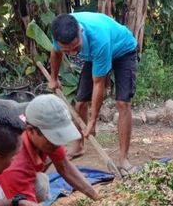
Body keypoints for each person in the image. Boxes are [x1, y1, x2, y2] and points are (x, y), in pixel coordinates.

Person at [0, 95, 100, 206]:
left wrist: (98, 198)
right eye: (53, 139)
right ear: (31, 130)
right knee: (39, 186)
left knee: (41, 183)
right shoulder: (15, 162)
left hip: (15, 174)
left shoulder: (43, 131)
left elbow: (64, 167)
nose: (58, 145)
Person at [48, 12, 138, 174]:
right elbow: (55, 52)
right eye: (67, 50)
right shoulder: (59, 31)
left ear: (80, 32)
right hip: (94, 55)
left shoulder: (98, 38)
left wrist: (93, 121)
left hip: (123, 50)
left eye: (76, 48)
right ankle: (78, 145)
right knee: (80, 102)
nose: (73, 54)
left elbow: (99, 84)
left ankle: (123, 159)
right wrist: (54, 79)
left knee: (122, 103)